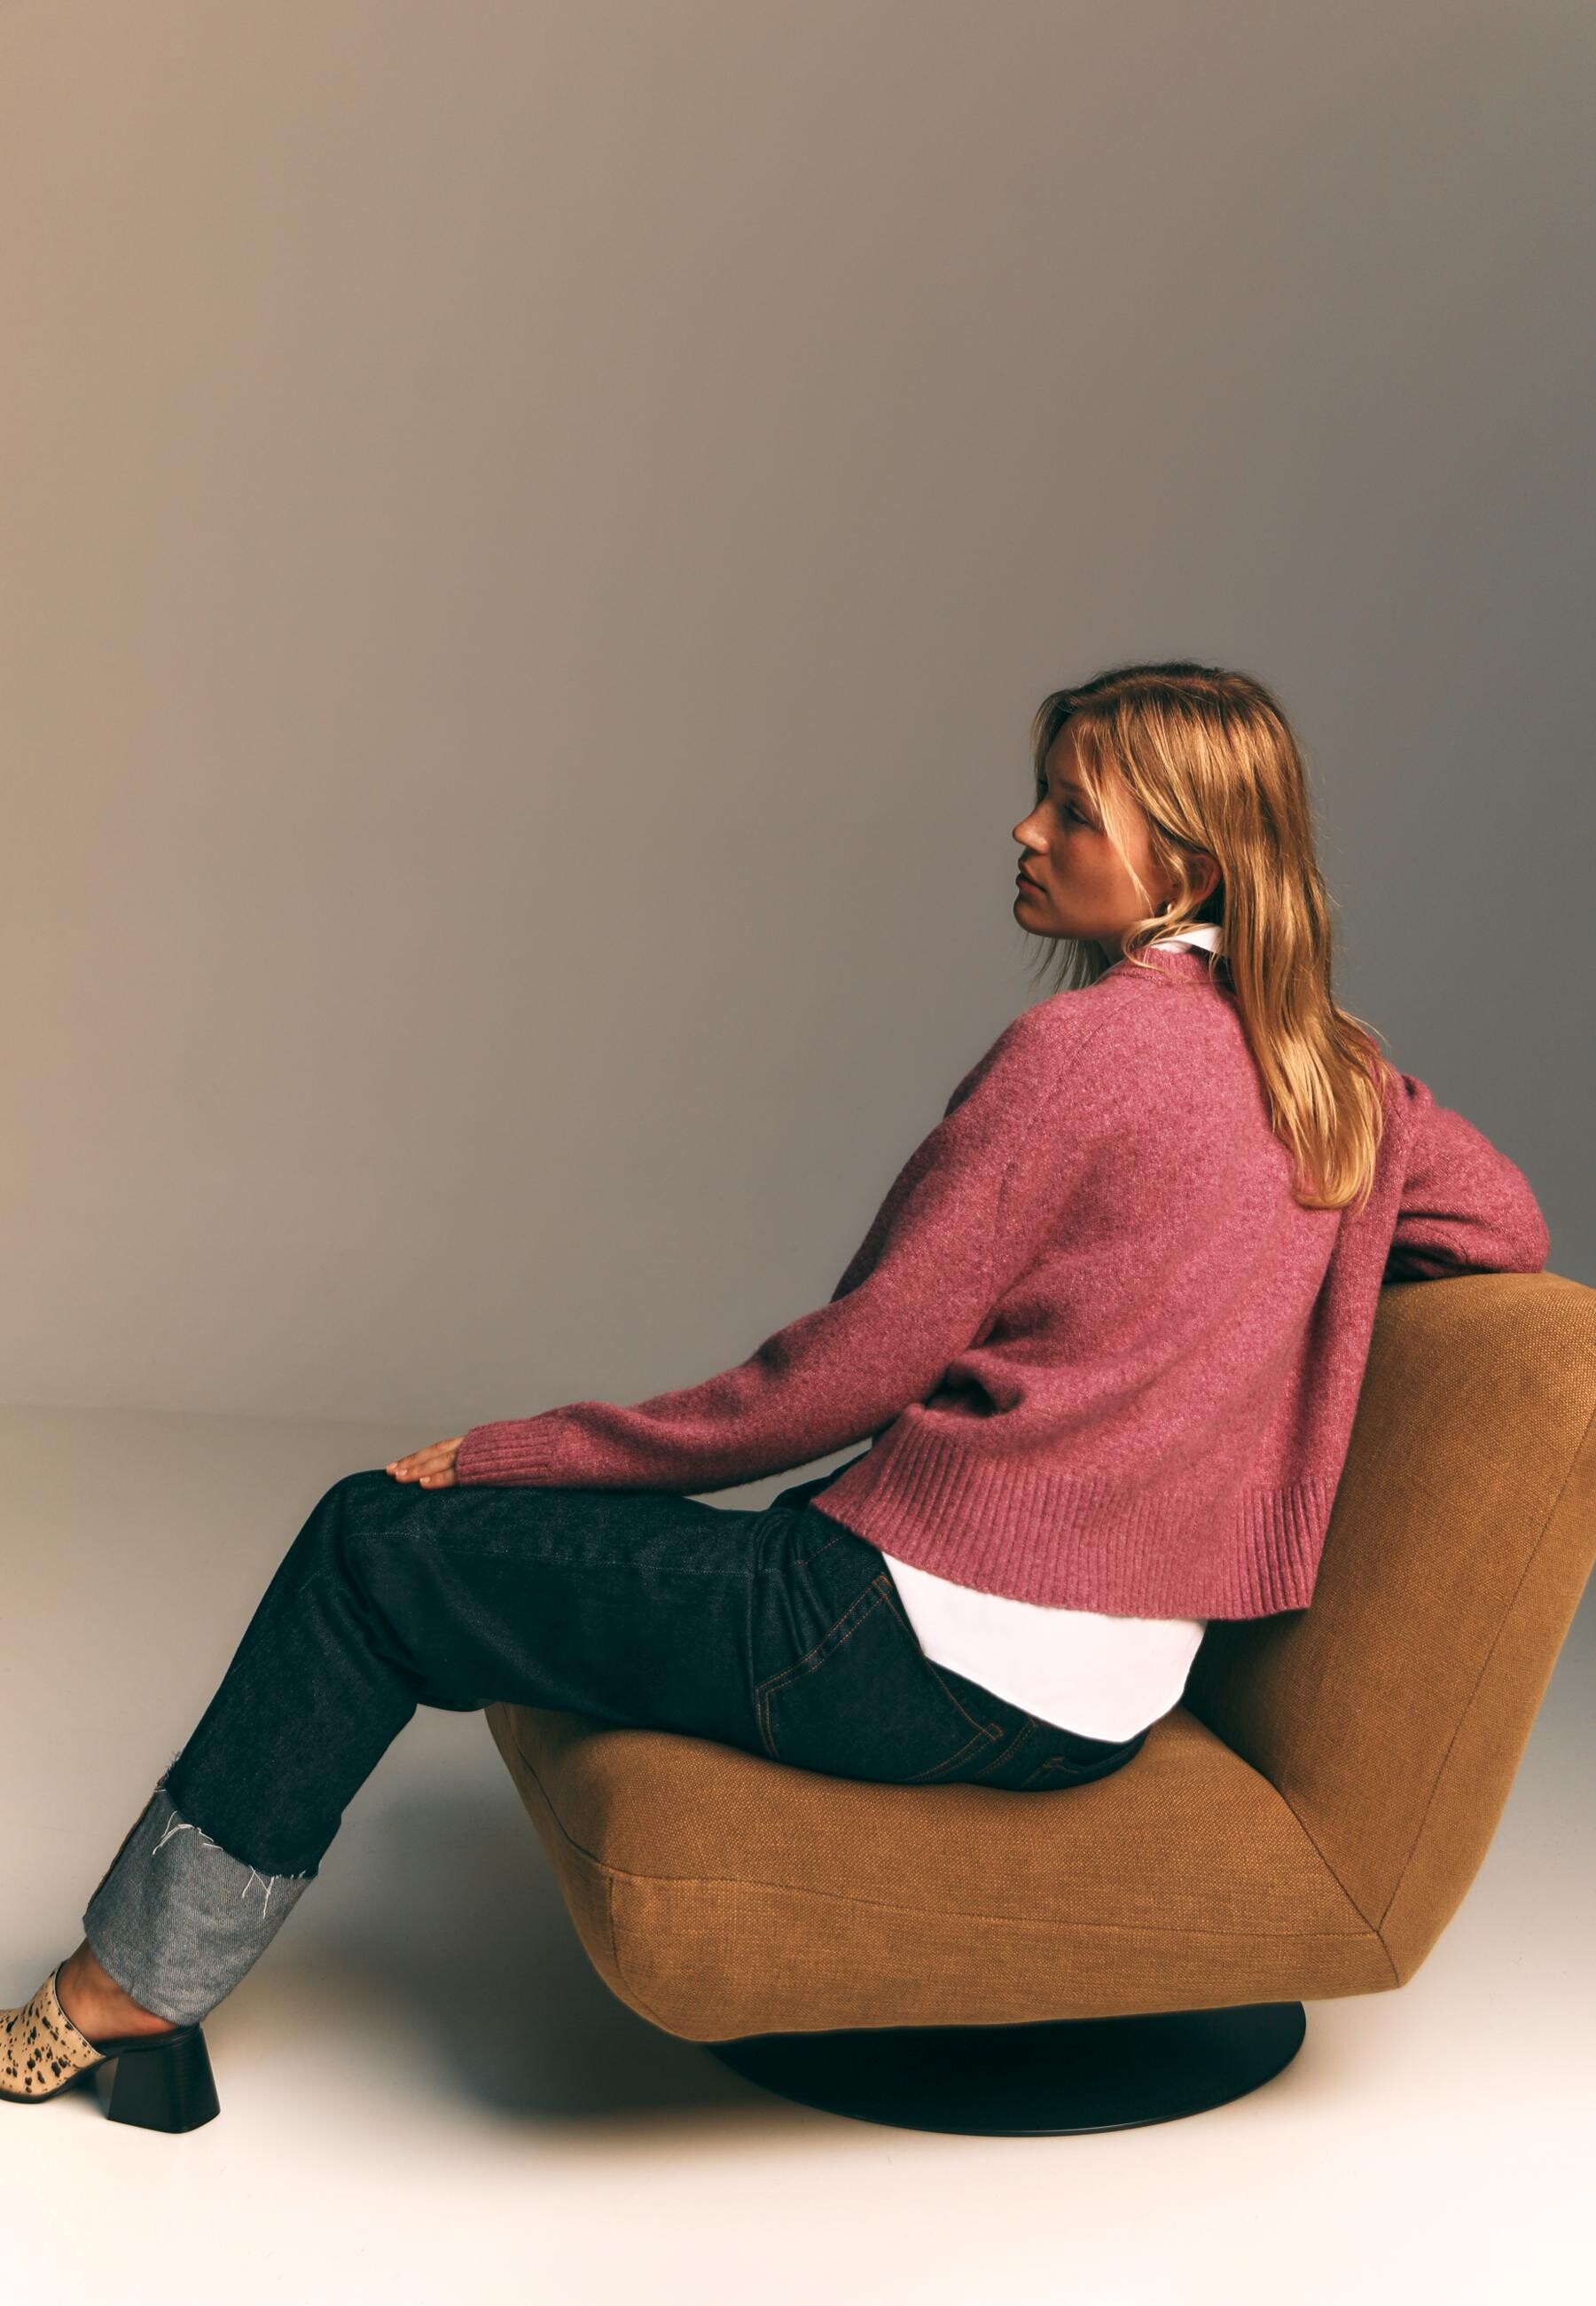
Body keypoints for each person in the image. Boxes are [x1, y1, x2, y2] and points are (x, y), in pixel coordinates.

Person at [2, 659, 1549, 2120]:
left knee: (369, 1545)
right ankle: (147, 1978)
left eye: (1076, 811)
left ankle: (127, 1991)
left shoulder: (1077, 1056)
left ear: (1188, 870)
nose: (1026, 831)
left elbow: (835, 1381)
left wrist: (526, 1452)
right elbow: (1507, 1228)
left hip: (908, 1653)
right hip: (1102, 1708)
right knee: (543, 1557)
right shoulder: (1340, 1081)